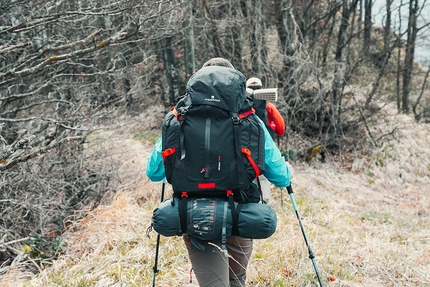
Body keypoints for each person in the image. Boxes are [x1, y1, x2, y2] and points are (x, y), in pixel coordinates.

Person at [146, 58, 292, 287]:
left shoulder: (178, 118)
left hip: (194, 216)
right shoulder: (250, 119)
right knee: (236, 281)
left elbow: (153, 172)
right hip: (241, 212)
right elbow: (281, 177)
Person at [246, 77, 286, 203]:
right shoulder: (268, 107)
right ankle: (263, 202)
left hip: (245, 149)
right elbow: (281, 128)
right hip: (263, 148)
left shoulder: (241, 107)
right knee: (262, 177)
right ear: (262, 89)